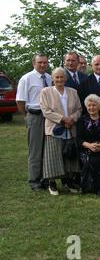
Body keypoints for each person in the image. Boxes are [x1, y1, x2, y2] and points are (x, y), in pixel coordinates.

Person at [40, 67, 82, 196]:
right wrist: (63, 119)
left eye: (61, 77)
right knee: (53, 156)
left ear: (65, 78)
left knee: (69, 156)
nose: (59, 79)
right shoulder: (46, 92)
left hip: (70, 128)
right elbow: (46, 111)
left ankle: (68, 181)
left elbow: (79, 109)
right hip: (54, 129)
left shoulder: (73, 92)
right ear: (52, 79)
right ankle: (52, 183)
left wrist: (72, 119)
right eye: (56, 77)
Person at [16, 53, 53, 191]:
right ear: (34, 63)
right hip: (35, 115)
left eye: (45, 62)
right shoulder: (26, 79)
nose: (43, 65)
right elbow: (20, 100)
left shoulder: (49, 78)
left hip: (48, 117)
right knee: (35, 150)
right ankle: (34, 180)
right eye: (40, 62)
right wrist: (27, 117)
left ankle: (44, 178)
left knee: (46, 149)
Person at [77, 94, 100, 196]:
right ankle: (89, 186)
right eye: (89, 105)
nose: (91, 107)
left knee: (99, 159)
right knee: (90, 160)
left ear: (99, 107)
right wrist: (89, 146)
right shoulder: (82, 120)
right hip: (87, 149)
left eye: (94, 105)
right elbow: (79, 139)